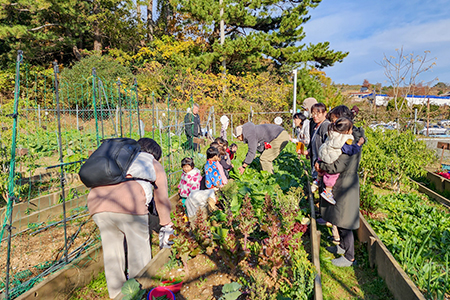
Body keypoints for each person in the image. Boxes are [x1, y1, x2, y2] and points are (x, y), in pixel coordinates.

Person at [87, 138, 173, 298]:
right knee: (138, 252)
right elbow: (161, 197)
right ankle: (138, 292)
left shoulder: (120, 157)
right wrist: (166, 222)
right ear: (155, 154)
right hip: (129, 205)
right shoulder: (152, 162)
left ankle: (116, 294)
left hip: (97, 204)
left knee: (112, 252)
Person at [315, 105, 366, 267]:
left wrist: (321, 166)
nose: (332, 122)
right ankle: (342, 247)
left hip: (345, 184)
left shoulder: (350, 140)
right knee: (338, 217)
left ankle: (349, 256)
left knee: (344, 222)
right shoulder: (345, 135)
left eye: (334, 118)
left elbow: (339, 165)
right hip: (340, 182)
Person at [318, 117, 365, 205]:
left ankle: (317, 180)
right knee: (332, 175)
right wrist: (358, 144)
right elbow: (349, 150)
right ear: (346, 131)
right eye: (351, 129)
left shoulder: (332, 133)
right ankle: (328, 191)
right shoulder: (344, 139)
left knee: (322, 170)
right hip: (330, 158)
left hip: (322, 155)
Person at [304, 103, 330, 191]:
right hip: (317, 163)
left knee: (323, 188)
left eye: (318, 113)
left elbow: (327, 145)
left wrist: (321, 161)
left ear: (324, 113)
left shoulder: (325, 126)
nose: (315, 116)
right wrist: (309, 151)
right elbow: (315, 143)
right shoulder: (316, 126)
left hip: (322, 164)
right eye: (313, 113)